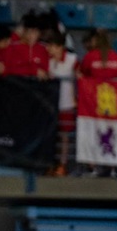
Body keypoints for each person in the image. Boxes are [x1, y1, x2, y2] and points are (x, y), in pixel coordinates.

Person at [43, 30, 77, 176]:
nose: (49, 49)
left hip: (66, 103)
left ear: (60, 47)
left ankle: (62, 165)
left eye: (52, 46)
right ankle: (48, 163)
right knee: (48, 135)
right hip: (48, 104)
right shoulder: (46, 60)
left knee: (64, 135)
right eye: (48, 46)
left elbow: (81, 77)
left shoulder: (72, 59)